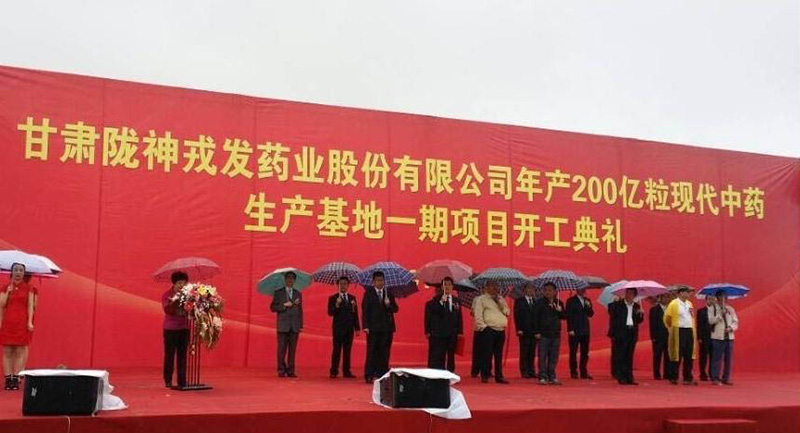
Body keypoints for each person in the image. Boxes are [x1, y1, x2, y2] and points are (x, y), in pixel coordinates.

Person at [0, 263, 35, 391]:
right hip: (8, 322)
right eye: (16, 270)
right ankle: (8, 378)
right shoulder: (5, 287)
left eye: (21, 270)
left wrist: (29, 322)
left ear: (24, 273)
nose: (18, 273)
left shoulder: (29, 288)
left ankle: (16, 377)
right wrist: (7, 293)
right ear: (12, 272)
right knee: (7, 351)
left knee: (20, 350)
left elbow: (30, 306)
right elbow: (1, 304)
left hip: (22, 322)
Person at [362, 271, 399, 383]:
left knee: (384, 351)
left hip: (387, 328)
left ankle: (382, 373)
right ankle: (369, 374)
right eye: (378, 280)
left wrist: (389, 305)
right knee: (372, 351)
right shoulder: (368, 294)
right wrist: (365, 326)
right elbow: (365, 311)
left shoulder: (388, 293)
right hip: (373, 328)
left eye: (382, 280)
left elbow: (395, 309)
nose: (380, 282)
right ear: (373, 282)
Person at [473, 280, 510, 384]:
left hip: (501, 329)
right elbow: (478, 315)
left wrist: (500, 303)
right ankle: (485, 374)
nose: (495, 288)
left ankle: (499, 376)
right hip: (488, 329)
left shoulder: (501, 299)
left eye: (496, 286)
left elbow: (507, 312)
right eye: (492, 286)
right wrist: (484, 327)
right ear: (487, 288)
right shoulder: (481, 299)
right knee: (487, 354)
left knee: (498, 354)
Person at [425, 277, 463, 372]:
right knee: (440, 354)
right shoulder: (436, 300)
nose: (447, 287)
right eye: (445, 285)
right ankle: (440, 373)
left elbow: (459, 317)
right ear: (442, 287)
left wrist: (460, 331)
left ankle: (451, 372)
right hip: (440, 332)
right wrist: (441, 301)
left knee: (451, 354)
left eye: (449, 285)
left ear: (452, 287)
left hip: (452, 332)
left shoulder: (456, 301)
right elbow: (434, 312)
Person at [270, 271, 303, 378]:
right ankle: (281, 369)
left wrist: (301, 324)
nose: (290, 280)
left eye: (292, 278)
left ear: (294, 280)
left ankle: (291, 370)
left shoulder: (298, 293)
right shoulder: (278, 293)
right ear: (285, 280)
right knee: (281, 349)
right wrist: (284, 305)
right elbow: (272, 307)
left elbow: (300, 310)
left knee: (292, 350)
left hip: (294, 325)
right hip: (283, 325)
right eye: (288, 278)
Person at [609, 287, 644, 385]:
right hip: (621, 333)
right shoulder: (618, 305)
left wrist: (641, 314)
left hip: (632, 332)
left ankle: (629, 377)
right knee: (621, 355)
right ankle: (621, 377)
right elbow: (612, 315)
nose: (629, 295)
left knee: (629, 355)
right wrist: (613, 333)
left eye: (632, 293)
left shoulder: (637, 306)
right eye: (628, 293)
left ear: (635, 295)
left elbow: (639, 321)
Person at [534, 283, 566, 385]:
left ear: (555, 291)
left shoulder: (559, 302)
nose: (548, 292)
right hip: (543, 334)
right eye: (546, 290)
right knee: (542, 357)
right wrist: (536, 332)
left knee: (553, 357)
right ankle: (542, 376)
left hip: (555, 334)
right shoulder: (539, 303)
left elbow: (564, 317)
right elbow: (535, 318)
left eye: (550, 290)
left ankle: (552, 376)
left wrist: (560, 311)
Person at [664, 287, 697, 385]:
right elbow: (667, 318)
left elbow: (692, 316)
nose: (689, 294)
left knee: (689, 355)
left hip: (689, 330)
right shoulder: (673, 303)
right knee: (677, 354)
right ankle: (673, 377)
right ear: (681, 293)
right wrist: (671, 329)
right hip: (679, 330)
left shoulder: (689, 304)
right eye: (687, 292)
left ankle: (688, 377)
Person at [161, 271, 189, 388]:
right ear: (174, 283)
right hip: (170, 330)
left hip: (184, 328)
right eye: (179, 283)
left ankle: (182, 381)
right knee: (170, 355)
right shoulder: (167, 295)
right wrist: (176, 301)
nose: (182, 285)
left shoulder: (189, 295)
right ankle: (168, 380)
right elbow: (168, 310)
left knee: (182, 356)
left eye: (184, 283)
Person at [328, 276, 359, 379]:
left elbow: (355, 314)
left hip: (349, 328)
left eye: (345, 284)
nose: (343, 286)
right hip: (338, 328)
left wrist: (357, 328)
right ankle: (334, 371)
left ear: (348, 285)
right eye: (341, 284)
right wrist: (337, 305)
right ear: (337, 285)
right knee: (336, 350)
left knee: (347, 350)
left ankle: (346, 371)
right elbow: (330, 312)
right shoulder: (333, 298)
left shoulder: (352, 298)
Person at [708, 291, 738, 385]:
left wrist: (731, 328)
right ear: (717, 298)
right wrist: (720, 314)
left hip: (729, 337)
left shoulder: (730, 309)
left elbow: (735, 321)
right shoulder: (712, 308)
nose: (723, 299)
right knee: (716, 358)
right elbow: (711, 321)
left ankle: (726, 378)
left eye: (724, 297)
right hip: (717, 337)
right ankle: (715, 378)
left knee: (728, 359)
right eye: (721, 297)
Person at [566, 287, 594, 379]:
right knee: (573, 352)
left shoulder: (587, 300)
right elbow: (568, 316)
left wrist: (588, 306)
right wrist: (570, 329)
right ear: (577, 290)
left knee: (585, 352)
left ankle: (583, 371)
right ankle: (573, 371)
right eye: (581, 289)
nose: (583, 291)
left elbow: (591, 314)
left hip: (585, 330)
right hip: (574, 330)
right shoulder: (570, 301)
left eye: (584, 289)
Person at [514, 283, 537, 379]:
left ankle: (531, 370)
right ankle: (524, 371)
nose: (531, 290)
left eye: (532, 288)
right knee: (524, 351)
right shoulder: (519, 301)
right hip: (523, 330)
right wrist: (518, 329)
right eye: (529, 288)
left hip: (534, 331)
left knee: (532, 351)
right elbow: (517, 316)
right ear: (524, 290)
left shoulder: (536, 301)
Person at [649, 294, 670, 380]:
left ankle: (667, 374)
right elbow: (652, 324)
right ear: (660, 298)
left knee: (668, 356)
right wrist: (653, 337)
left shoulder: (671, 309)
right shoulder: (654, 309)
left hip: (669, 336)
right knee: (657, 356)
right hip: (658, 337)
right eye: (664, 297)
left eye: (667, 297)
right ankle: (657, 374)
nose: (666, 299)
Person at [696, 296, 715, 381]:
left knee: (713, 357)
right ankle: (702, 374)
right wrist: (699, 337)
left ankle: (712, 373)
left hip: (715, 336)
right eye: (709, 299)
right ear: (706, 300)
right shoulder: (701, 311)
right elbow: (699, 325)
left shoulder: (717, 311)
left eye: (713, 299)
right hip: (704, 337)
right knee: (703, 357)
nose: (711, 301)